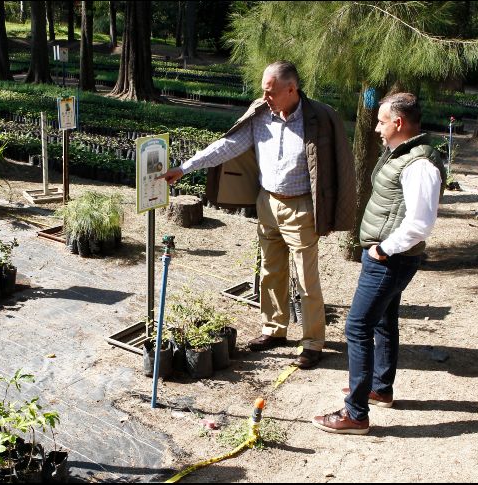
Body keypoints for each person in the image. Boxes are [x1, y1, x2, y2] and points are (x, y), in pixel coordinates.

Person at [159, 60, 355, 369]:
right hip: (267, 203)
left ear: (292, 89)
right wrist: (185, 168)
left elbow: (338, 165)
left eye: (271, 92)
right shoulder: (260, 114)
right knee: (270, 271)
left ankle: (313, 341)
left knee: (306, 279)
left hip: (301, 206)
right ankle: (274, 330)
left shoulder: (318, 117)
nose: (266, 98)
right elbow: (227, 146)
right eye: (263, 91)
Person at [312, 93, 446, 434]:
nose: (375, 128)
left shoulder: (419, 164)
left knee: (357, 327)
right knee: (384, 321)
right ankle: (379, 389)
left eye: (381, 121)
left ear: (398, 123)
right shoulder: (402, 155)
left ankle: (355, 414)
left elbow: (420, 223)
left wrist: (383, 249)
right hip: (389, 257)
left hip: (391, 260)